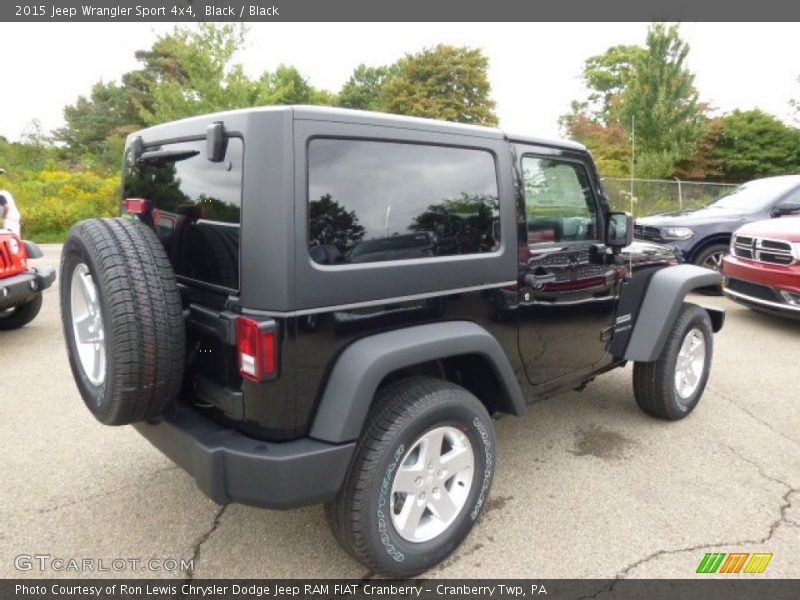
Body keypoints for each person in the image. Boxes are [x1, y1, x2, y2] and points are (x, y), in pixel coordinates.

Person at [0, 168, 22, 236]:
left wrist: (3, 217)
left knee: (10, 240)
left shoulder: (1, 194)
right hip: (14, 219)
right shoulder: (5, 193)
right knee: (15, 241)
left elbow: (6, 207)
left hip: (8, 220)